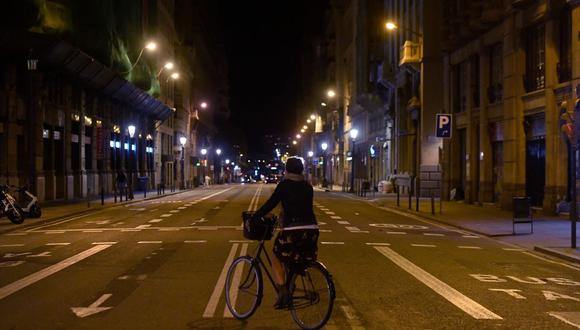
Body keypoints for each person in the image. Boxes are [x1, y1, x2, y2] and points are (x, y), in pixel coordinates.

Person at [251, 156, 319, 309]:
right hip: (312, 230)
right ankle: (289, 286)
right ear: (302, 170)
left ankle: (283, 292)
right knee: (296, 259)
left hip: (292, 230)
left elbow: (271, 204)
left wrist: (256, 216)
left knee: (276, 255)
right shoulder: (308, 186)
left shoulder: (284, 185)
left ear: (286, 170)